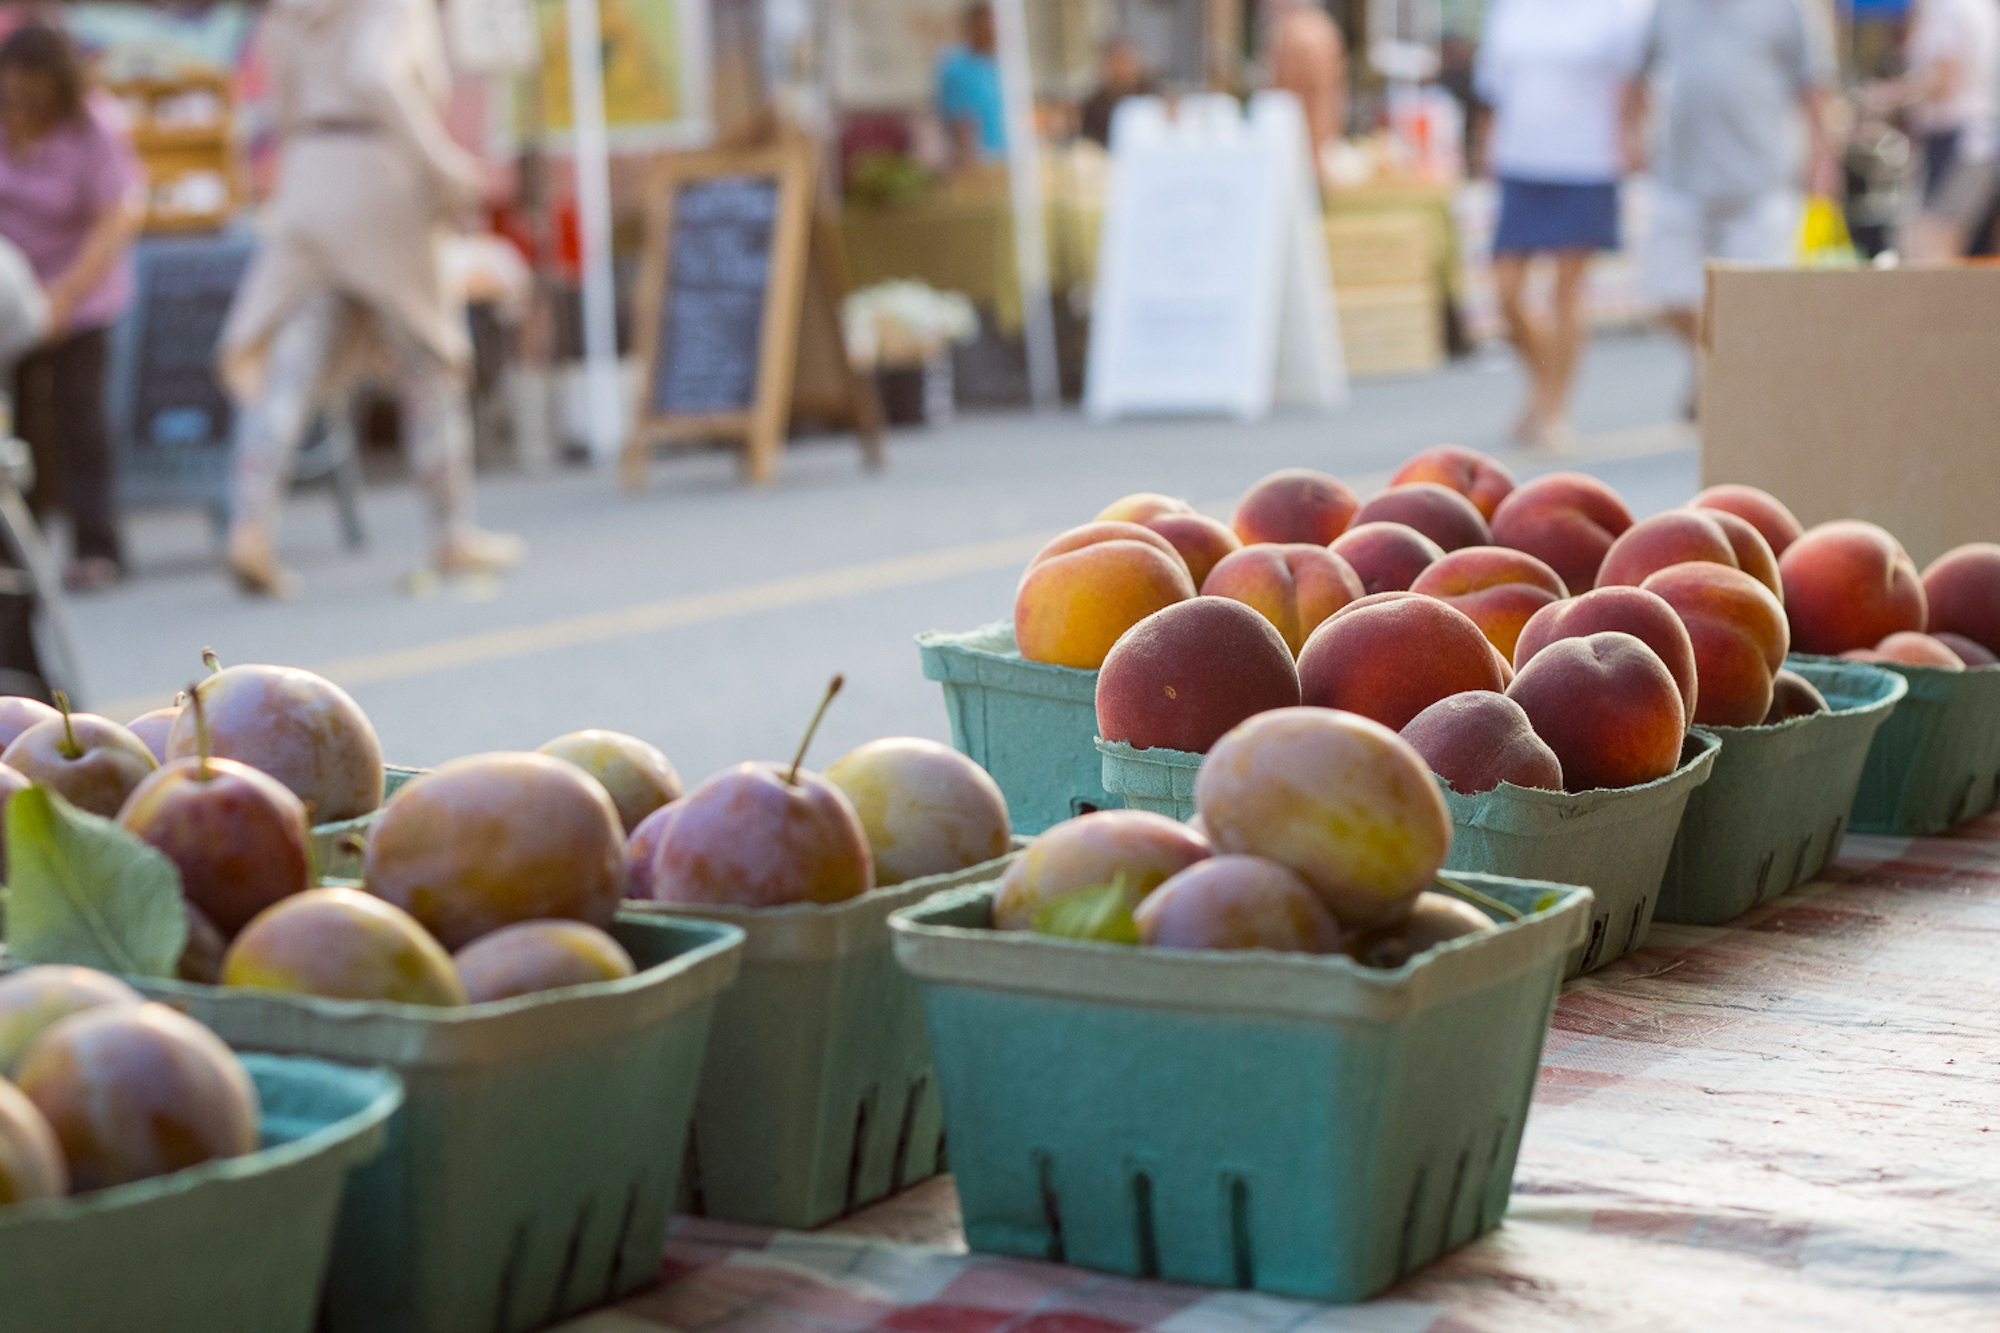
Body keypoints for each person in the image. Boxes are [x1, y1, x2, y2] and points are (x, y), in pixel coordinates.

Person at [218, 0, 521, 597]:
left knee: (288, 372)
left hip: (307, 178)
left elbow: (274, 109)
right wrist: (443, 167)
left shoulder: (283, 14)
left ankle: (250, 526)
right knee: (429, 363)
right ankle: (451, 529)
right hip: (379, 176)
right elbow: (374, 74)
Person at [1623, 0, 1837, 405]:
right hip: (1680, 176)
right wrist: (1629, 135)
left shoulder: (1789, 8)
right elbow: (1636, 74)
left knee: (1755, 303)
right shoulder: (1667, 8)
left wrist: (1824, 158)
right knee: (1666, 295)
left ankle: (1736, 394)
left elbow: (1815, 86)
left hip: (1762, 178)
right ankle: (1713, 365)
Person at [0, 24, 143, 592]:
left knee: (79, 419)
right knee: (18, 425)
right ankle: (20, 553)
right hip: (11, 296)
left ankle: (96, 545)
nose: (19, 106)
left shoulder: (95, 125)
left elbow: (115, 219)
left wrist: (62, 297)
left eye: (30, 95)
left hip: (81, 292)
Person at [1475, 0, 1651, 447]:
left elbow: (1634, 82)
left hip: (1586, 160)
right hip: (1521, 161)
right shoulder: (1509, 10)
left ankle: (1554, 406)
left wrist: (1631, 138)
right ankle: (1540, 386)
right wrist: (1485, 148)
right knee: (1506, 291)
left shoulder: (1618, 10)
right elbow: (1492, 88)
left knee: (1566, 289)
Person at [1868, 0, 2000, 260]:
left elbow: (1944, 80)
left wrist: (1887, 97)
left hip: (1958, 141)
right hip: (1975, 138)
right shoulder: (1978, 7)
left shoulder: (1949, 8)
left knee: (1929, 246)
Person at [1265, 0, 1346, 159]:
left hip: (1301, 146)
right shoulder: (1324, 27)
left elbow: (1283, 98)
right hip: (1325, 141)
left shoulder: (1292, 34)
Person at [935, 4, 1005, 167]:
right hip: (981, 157)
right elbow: (958, 118)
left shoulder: (1000, 64)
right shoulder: (956, 65)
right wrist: (969, 160)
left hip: (1008, 152)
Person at [1078, 38, 1156, 148]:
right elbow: (1091, 143)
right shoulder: (1094, 106)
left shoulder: (1153, 98)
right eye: (1114, 63)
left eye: (1124, 62)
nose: (1119, 69)